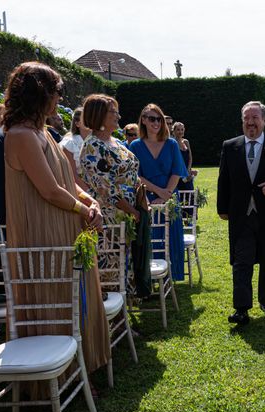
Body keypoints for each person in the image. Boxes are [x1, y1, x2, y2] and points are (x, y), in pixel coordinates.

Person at [2, 62, 109, 397]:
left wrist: (91, 202)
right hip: (43, 233)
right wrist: (82, 209)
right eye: (57, 91)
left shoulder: (43, 132)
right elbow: (48, 190)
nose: (60, 98)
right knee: (55, 300)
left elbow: (68, 182)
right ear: (40, 93)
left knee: (73, 297)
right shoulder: (20, 136)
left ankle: (82, 366)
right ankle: (59, 376)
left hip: (65, 228)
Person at [217, 100, 265, 325]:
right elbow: (224, 180)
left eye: (255, 118)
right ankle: (241, 309)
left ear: (264, 120)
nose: (250, 123)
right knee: (242, 260)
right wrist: (222, 208)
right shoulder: (230, 146)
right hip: (241, 214)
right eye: (246, 118)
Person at [80, 94, 142, 286]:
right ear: (99, 115)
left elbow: (131, 172)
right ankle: (111, 312)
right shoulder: (93, 146)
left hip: (126, 213)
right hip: (110, 216)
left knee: (126, 261)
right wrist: (131, 209)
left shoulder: (114, 141)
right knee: (112, 263)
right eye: (113, 112)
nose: (118, 116)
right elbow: (106, 188)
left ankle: (125, 307)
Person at [129, 103, 188, 281]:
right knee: (151, 237)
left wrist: (166, 193)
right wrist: (156, 194)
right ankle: (151, 276)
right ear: (144, 120)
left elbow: (177, 171)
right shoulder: (135, 146)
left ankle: (172, 275)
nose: (157, 123)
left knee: (171, 237)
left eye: (160, 119)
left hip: (170, 197)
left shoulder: (171, 144)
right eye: (152, 119)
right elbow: (136, 176)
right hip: (146, 198)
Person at [60, 107, 91, 190]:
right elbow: (72, 176)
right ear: (77, 124)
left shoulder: (95, 143)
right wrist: (92, 195)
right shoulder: (69, 144)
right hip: (76, 190)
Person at [172, 121, 197, 191]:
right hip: (178, 174)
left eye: (182, 129)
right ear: (173, 131)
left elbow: (190, 157)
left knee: (190, 194)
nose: (180, 131)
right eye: (178, 129)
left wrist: (188, 170)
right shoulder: (173, 143)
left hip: (187, 174)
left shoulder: (186, 141)